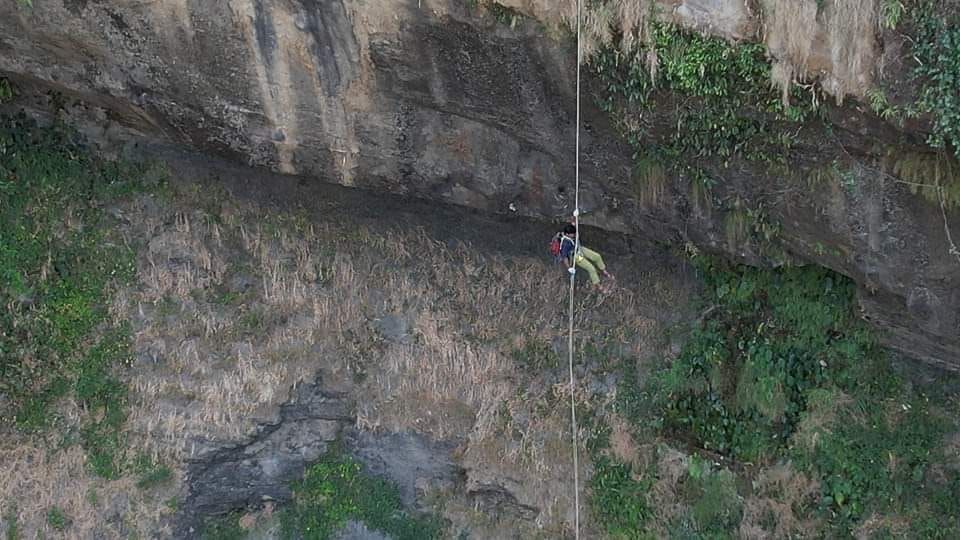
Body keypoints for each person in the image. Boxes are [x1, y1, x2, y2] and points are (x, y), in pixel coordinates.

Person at [559, 224, 614, 291]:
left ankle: (604, 272)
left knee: (597, 256)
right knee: (591, 268)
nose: (574, 235)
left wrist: (574, 221)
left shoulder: (571, 235)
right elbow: (564, 257)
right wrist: (569, 268)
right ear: (567, 234)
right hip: (576, 256)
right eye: (572, 234)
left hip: (579, 249)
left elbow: (573, 224)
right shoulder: (565, 244)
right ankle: (599, 286)